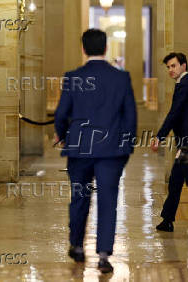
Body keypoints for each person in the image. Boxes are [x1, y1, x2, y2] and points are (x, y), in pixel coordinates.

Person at [54, 28, 137, 273]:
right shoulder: (121, 78)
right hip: (111, 152)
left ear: (83, 48)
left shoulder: (72, 77)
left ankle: (77, 245)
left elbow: (61, 115)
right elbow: (130, 116)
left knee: (79, 197)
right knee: (108, 201)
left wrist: (63, 135)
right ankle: (103, 255)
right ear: (106, 47)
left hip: (79, 149)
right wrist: (126, 146)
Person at [152, 52, 188, 232]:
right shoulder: (182, 83)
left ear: (183, 65)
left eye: (173, 65)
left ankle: (167, 219)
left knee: (178, 180)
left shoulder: (185, 84)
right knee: (180, 179)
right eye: (168, 67)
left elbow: (174, 114)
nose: (170, 70)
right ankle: (167, 220)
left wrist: (159, 136)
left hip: (187, 143)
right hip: (185, 142)